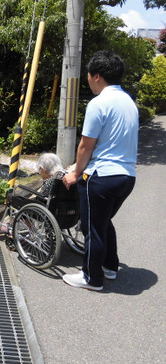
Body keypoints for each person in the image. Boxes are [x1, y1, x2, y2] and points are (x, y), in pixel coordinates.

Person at [62, 50, 138, 292]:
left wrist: (75, 173)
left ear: (96, 76)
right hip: (127, 177)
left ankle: (91, 278)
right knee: (104, 221)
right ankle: (110, 266)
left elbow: (86, 144)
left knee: (92, 227)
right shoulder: (129, 101)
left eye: (87, 75)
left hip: (102, 177)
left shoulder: (99, 103)